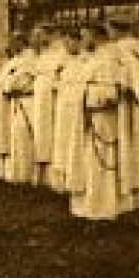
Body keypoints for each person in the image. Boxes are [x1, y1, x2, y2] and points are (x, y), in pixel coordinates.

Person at [65, 23, 139, 221]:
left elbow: (113, 94)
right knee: (93, 163)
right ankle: (94, 207)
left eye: (84, 36)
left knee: (103, 164)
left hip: (104, 121)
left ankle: (105, 209)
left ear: (95, 37)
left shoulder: (110, 60)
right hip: (92, 119)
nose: (82, 40)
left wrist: (87, 97)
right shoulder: (97, 59)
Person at [107, 18, 139, 211]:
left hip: (126, 106)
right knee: (136, 149)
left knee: (126, 148)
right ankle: (137, 196)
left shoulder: (122, 51)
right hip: (136, 105)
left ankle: (126, 197)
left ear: (116, 30)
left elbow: (125, 81)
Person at [28, 25, 69, 188]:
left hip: (53, 100)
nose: (37, 39)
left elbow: (61, 76)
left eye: (40, 35)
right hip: (41, 100)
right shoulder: (43, 55)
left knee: (53, 135)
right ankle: (42, 176)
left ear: (50, 35)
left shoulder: (62, 54)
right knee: (41, 133)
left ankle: (56, 179)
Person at [47, 27, 86, 193]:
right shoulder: (65, 63)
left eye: (70, 41)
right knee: (63, 145)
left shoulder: (86, 61)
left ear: (78, 41)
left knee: (75, 145)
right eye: (65, 42)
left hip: (77, 109)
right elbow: (56, 84)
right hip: (64, 108)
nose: (67, 46)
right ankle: (63, 183)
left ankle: (78, 181)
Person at [0, 34, 37, 184]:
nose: (11, 44)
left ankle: (25, 175)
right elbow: (5, 83)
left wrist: (10, 85)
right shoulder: (14, 61)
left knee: (23, 137)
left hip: (26, 104)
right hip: (13, 103)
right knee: (14, 138)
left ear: (22, 42)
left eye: (14, 41)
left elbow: (15, 84)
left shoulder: (29, 60)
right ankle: (15, 174)